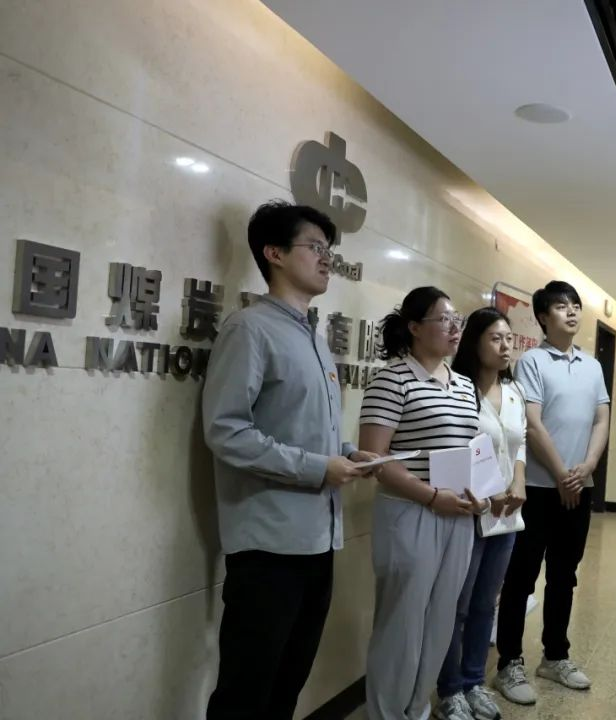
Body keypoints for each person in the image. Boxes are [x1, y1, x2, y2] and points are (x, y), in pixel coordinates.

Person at [203, 200, 379, 719]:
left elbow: (304, 430)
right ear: (274, 253)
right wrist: (319, 468)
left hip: (319, 540)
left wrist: (347, 454)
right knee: (245, 693)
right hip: (268, 546)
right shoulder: (250, 329)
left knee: (287, 685)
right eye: (315, 247)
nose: (327, 260)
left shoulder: (315, 339)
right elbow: (226, 430)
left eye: (329, 251)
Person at [359, 286, 486, 720]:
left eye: (457, 320)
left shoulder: (464, 384)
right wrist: (432, 496)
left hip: (458, 515)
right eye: (444, 320)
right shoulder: (392, 379)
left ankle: (415, 710)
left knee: (439, 624)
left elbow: (469, 450)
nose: (454, 328)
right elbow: (374, 459)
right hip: (410, 512)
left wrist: (480, 493)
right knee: (402, 624)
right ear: (414, 328)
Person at [494, 281, 611, 705]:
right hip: (538, 489)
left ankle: (555, 656)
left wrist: (588, 466)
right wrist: (562, 474)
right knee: (521, 577)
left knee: (564, 576)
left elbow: (601, 419)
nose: (572, 312)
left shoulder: (592, 366)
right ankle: (509, 662)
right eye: (562, 306)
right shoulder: (532, 361)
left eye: (575, 305)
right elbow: (532, 423)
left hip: (579, 486)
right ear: (543, 317)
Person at [434, 307, 529, 720]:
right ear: (474, 342)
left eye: (509, 338)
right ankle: (450, 689)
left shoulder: (514, 392)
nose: (506, 346)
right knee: (456, 605)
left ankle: (474, 682)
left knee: (485, 604)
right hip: (467, 511)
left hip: (506, 514)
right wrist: (487, 494)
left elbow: (520, 444)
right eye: (495, 338)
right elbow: (452, 449)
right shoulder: (459, 390)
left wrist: (519, 483)